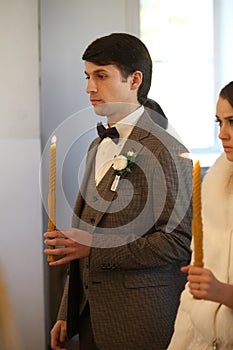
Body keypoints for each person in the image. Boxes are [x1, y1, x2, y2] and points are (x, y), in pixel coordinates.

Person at [44, 32, 193, 350]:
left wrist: (96, 248)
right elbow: (84, 238)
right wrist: (66, 313)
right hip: (89, 319)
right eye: (87, 76)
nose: (89, 88)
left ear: (134, 79)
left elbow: (177, 244)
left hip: (140, 321)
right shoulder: (96, 145)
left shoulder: (167, 150)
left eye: (101, 75)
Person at [167, 81, 233, 350]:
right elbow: (195, 287)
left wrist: (225, 293)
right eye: (219, 122)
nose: (222, 134)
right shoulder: (216, 188)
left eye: (232, 121)